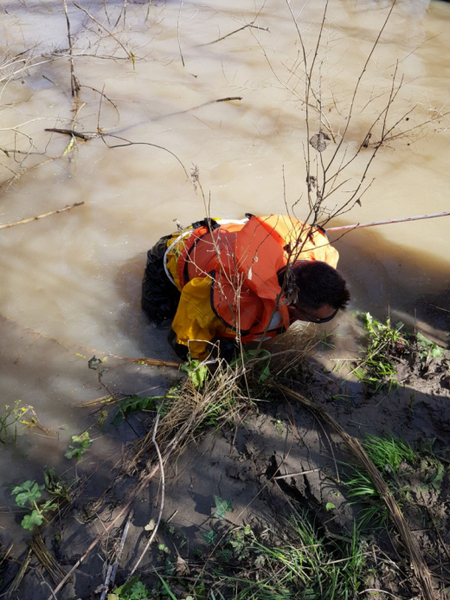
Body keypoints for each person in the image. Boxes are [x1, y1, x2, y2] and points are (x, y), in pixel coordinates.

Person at [142, 214, 350, 360]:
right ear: (292, 306)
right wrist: (207, 369)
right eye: (319, 319)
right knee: (159, 323)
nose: (322, 322)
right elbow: (184, 341)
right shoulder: (228, 292)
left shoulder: (318, 250)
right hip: (175, 256)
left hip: (226, 234)